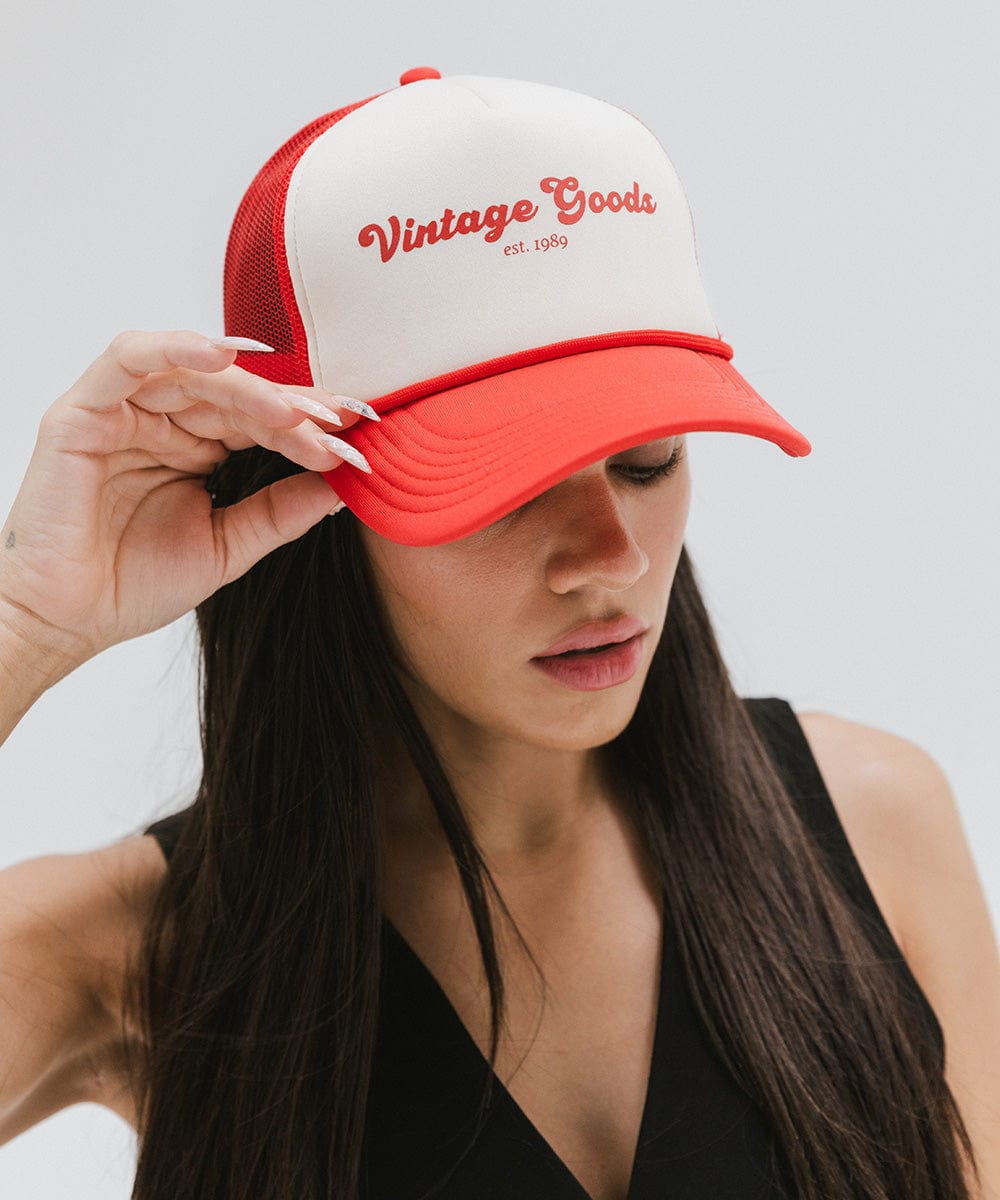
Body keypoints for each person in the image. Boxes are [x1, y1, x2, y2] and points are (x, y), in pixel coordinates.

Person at [0, 66, 996, 1200]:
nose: (611, 557)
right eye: (502, 489)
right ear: (311, 508)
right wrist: (26, 620)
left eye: (648, 460)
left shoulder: (874, 825)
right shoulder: (136, 952)